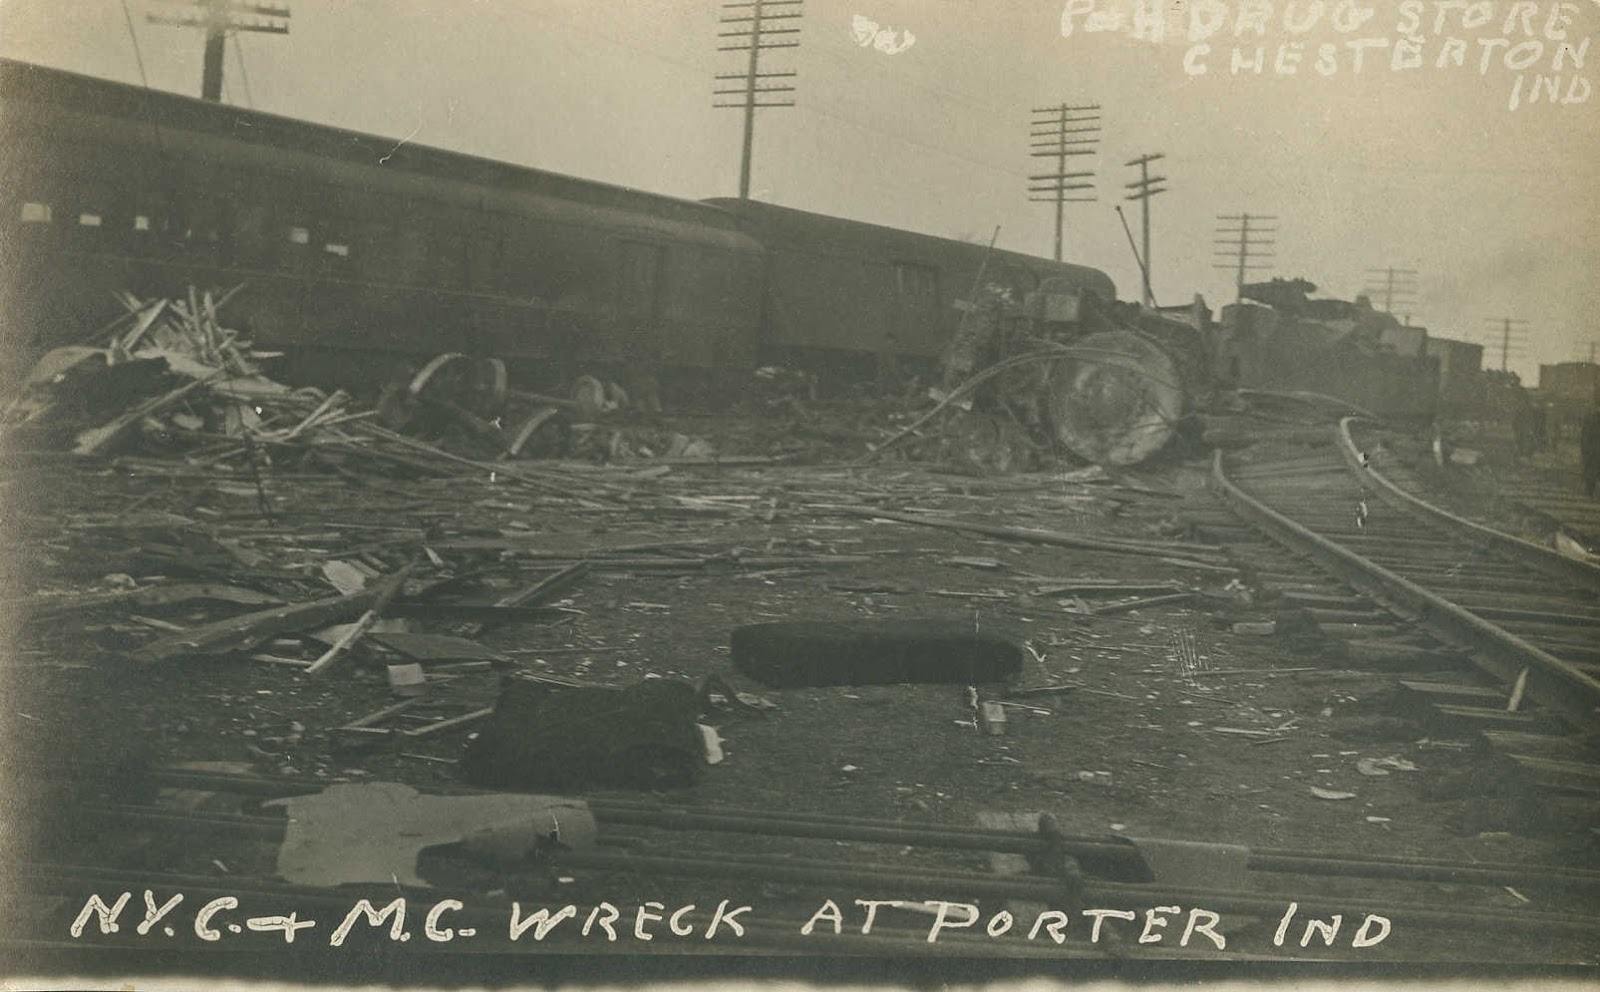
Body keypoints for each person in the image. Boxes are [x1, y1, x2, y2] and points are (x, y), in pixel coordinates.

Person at [1581, 399, 1600, 498]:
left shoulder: (1590, 418)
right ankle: (1590, 494)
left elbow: (1585, 437)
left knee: (1591, 475)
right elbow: (1585, 437)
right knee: (1591, 475)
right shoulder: (1590, 419)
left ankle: (1590, 494)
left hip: (1592, 452)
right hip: (1593, 452)